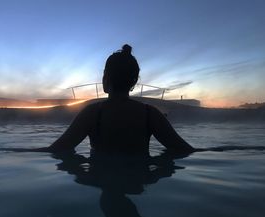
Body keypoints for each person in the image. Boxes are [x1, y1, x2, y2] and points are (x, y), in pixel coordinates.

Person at [38, 44, 194, 154]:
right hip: (137, 183)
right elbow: (184, 150)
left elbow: (57, 149)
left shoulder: (92, 113)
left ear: (106, 79)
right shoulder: (150, 114)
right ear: (134, 82)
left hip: (100, 177)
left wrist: (14, 150)